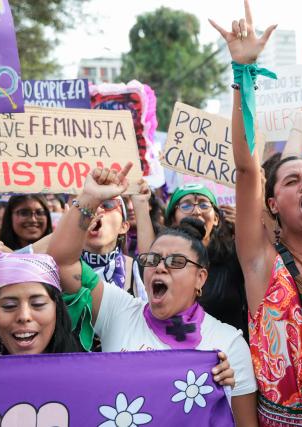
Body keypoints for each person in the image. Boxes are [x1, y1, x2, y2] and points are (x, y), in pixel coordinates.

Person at [210, 3, 302, 424]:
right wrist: (243, 76)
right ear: (271, 205)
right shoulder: (261, 262)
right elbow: (246, 168)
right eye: (291, 181)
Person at [46, 163, 255, 425]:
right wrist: (89, 198)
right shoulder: (118, 311)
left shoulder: (229, 343)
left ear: (200, 278)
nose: (161, 267)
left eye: (177, 262)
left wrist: (226, 391)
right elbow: (62, 262)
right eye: (153, 259)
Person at [164, 183, 247, 337]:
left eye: (203, 204)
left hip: (230, 354)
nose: (196, 211)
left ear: (216, 219)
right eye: (186, 205)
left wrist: (245, 229)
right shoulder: (161, 263)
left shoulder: (234, 257)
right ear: (173, 220)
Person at [0, 252, 82, 355]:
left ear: (57, 311)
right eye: (9, 306)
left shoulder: (83, 369)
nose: (24, 316)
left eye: (38, 304)